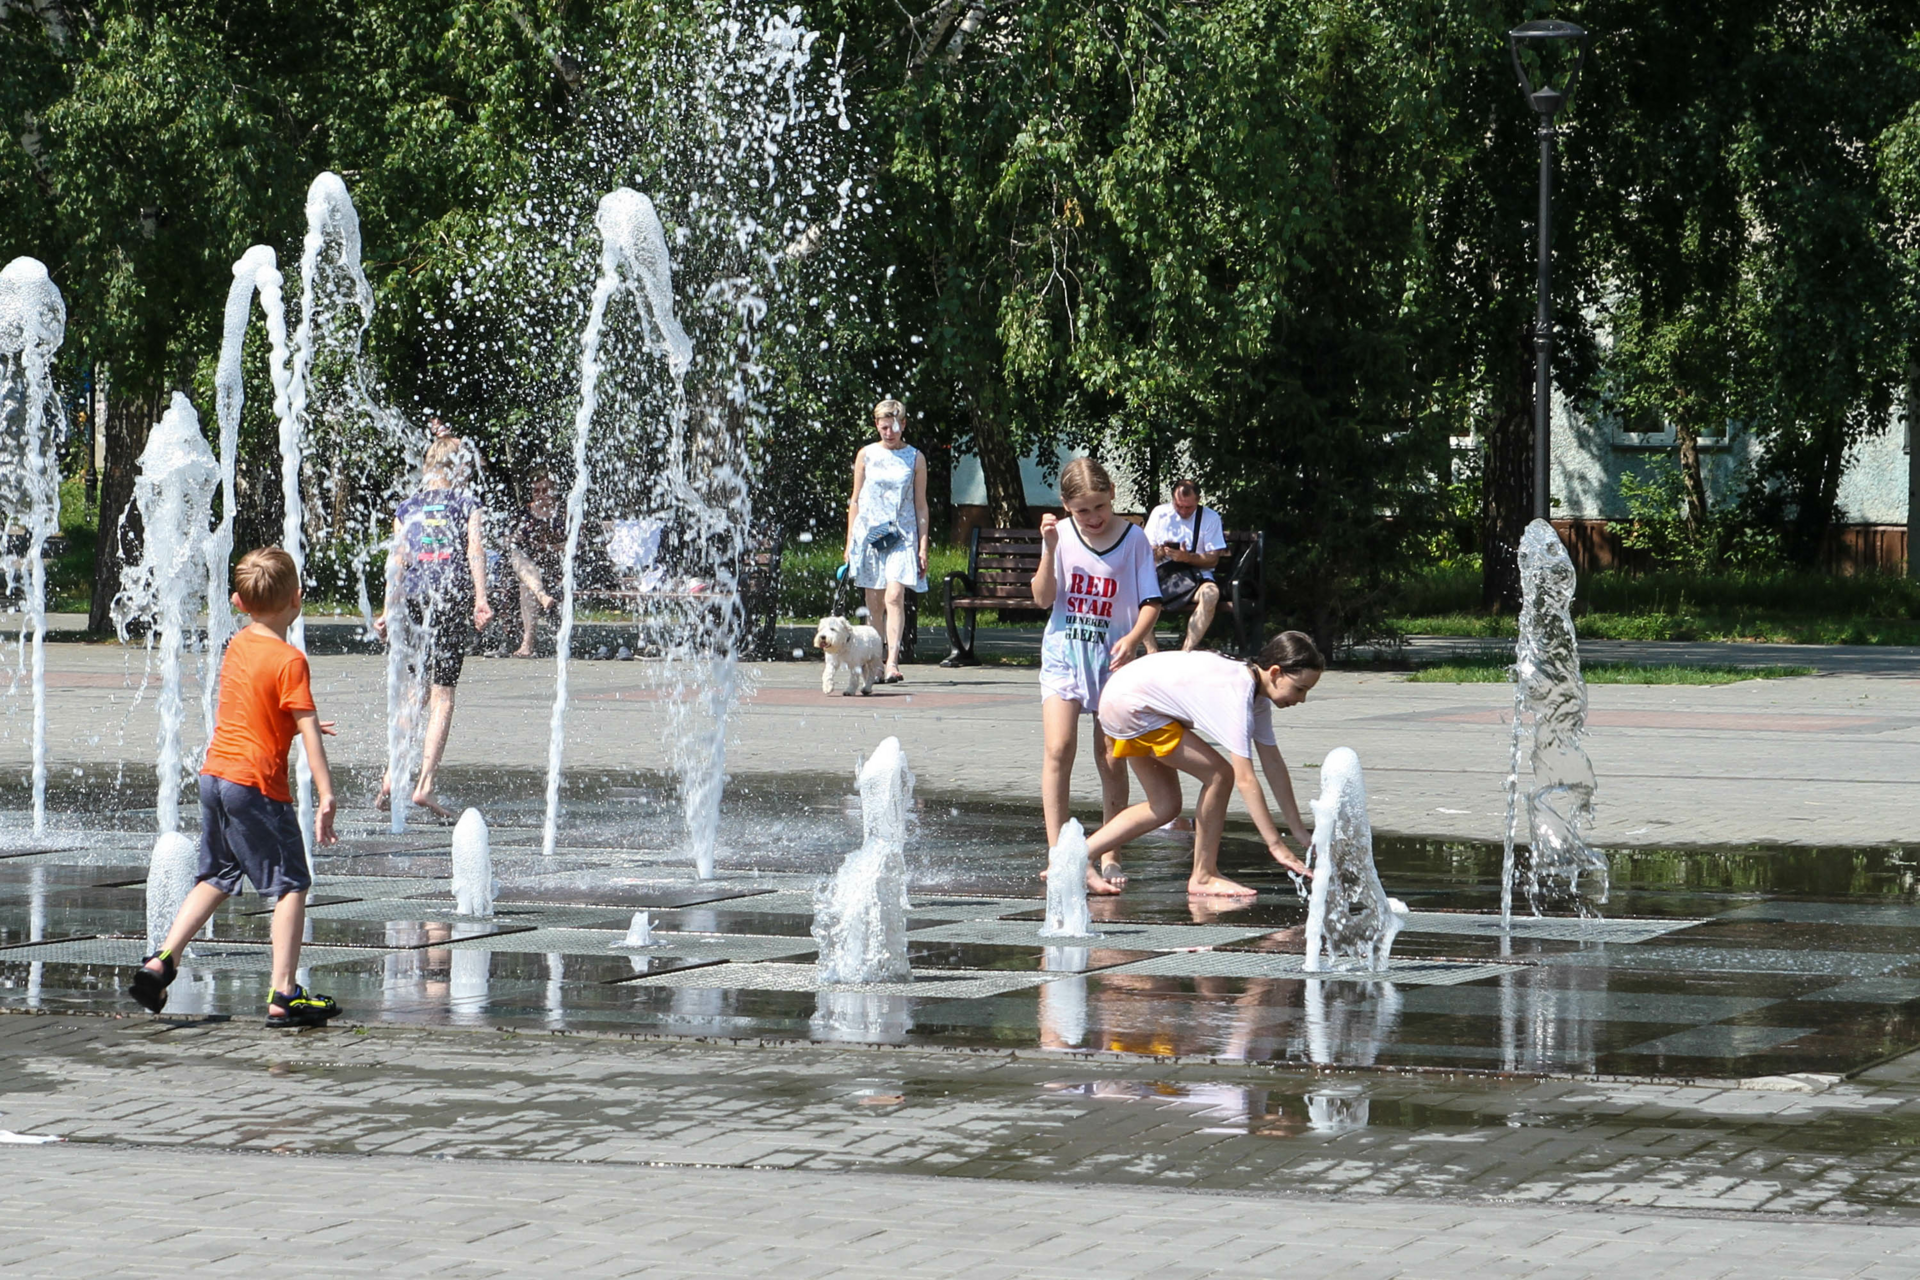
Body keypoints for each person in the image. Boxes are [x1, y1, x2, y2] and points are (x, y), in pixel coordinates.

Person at [127, 548, 341, 1026]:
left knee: (217, 876)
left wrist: (293, 721)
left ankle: (162, 962)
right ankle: (284, 993)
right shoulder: (291, 660)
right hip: (255, 785)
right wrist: (327, 795)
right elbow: (305, 736)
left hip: (215, 776)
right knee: (290, 884)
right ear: (297, 599)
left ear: (239, 603)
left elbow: (254, 710)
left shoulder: (238, 644)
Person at [1086, 632, 1322, 898]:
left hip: (1126, 700)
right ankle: (1204, 875)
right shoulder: (1238, 689)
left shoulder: (1257, 696)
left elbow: (1274, 765)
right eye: (1300, 689)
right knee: (1220, 774)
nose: (1301, 699)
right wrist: (1276, 846)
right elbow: (1246, 779)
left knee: (1164, 805)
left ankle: (1077, 856)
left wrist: (1299, 832)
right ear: (1276, 672)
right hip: (1132, 707)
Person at [1033, 456, 1161, 892]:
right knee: (1058, 749)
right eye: (1082, 510)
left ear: (1112, 499)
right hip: (1065, 655)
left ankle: (1109, 851)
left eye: (1100, 507)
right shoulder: (1062, 536)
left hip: (1113, 661)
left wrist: (1134, 637)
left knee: (1110, 757)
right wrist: (1050, 548)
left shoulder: (1133, 539)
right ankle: (1058, 854)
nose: (1092, 518)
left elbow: (1151, 601)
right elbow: (1042, 597)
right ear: (1066, 506)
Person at [374, 435, 494, 818]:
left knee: (414, 693)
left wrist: (386, 610)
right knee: (442, 696)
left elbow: (398, 562)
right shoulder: (467, 503)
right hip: (449, 599)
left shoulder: (407, 508)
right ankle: (423, 786)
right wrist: (481, 598)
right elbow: (474, 551)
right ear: (458, 467)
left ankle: (393, 775)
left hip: (412, 600)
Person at [844, 399, 928, 683]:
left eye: (893, 427)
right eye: (883, 428)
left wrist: (923, 546)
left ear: (903, 424)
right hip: (870, 535)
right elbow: (855, 500)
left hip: (902, 535)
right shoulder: (866, 455)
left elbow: (921, 506)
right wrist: (849, 543)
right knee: (874, 602)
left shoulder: (915, 458)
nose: (888, 433)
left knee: (894, 595)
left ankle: (892, 661)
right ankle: (875, 662)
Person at [1143, 478, 1228, 652]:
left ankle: (1186, 652)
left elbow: (1212, 559)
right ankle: (1152, 652)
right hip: (1163, 576)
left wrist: (1187, 557)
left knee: (1211, 594)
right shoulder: (1160, 513)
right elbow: (1144, 554)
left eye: (1188, 507)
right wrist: (1159, 553)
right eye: (1178, 505)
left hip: (1196, 577)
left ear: (1198, 500)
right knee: (1134, 592)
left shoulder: (1210, 518)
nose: (1182, 511)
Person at [509, 473, 564, 658]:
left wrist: (548, 547)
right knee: (518, 558)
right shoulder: (524, 513)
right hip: (527, 565)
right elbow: (508, 541)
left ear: (554, 492)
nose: (540, 495)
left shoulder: (563, 513)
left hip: (555, 567)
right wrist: (514, 537)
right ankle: (541, 596)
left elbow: (575, 543)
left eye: (545, 490)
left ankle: (527, 643)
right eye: (536, 491)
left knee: (526, 584)